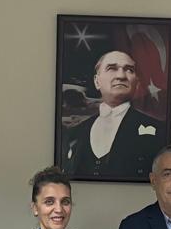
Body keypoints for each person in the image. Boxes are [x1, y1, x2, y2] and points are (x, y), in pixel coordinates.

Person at [62, 50, 165, 179]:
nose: (121, 76)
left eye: (129, 70)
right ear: (97, 81)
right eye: (112, 68)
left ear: (137, 83)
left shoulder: (159, 130)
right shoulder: (75, 133)